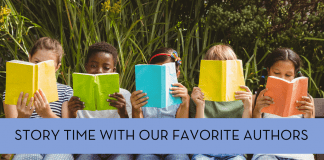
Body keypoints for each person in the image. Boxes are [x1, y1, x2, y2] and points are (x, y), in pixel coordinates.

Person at [2, 37, 73, 159]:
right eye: (36, 62)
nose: (40, 67)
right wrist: (22, 118)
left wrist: (47, 114)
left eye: (47, 65)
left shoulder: (66, 91)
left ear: (57, 67)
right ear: (29, 58)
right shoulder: (12, 91)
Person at [68, 42, 133, 160]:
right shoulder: (75, 96)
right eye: (93, 66)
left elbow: (130, 135)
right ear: (86, 67)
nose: (99, 71)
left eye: (106, 68)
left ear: (113, 71)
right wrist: (72, 114)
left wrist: (123, 113)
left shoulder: (124, 95)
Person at [190, 45, 252, 160]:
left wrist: (248, 108)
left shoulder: (242, 97)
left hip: (235, 152)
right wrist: (200, 106)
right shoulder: (198, 97)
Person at [252, 48, 315, 160]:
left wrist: (309, 116)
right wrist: (257, 111)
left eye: (288, 75)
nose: (282, 78)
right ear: (268, 71)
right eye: (276, 73)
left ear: (295, 74)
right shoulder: (258, 98)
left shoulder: (306, 99)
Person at [131, 47, 190, 160]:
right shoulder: (141, 94)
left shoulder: (181, 95)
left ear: (177, 74)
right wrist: (136, 109)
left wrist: (185, 103)